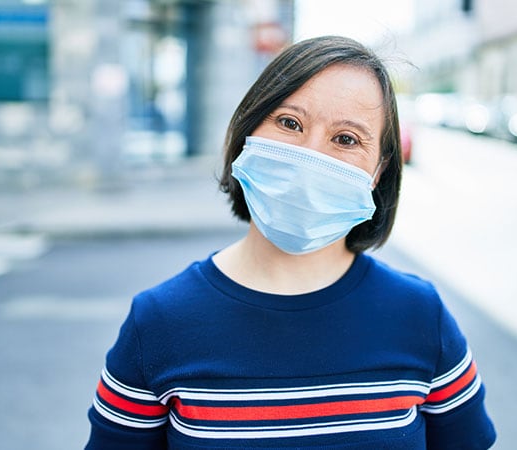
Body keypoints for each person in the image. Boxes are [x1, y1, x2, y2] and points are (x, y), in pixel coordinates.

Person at [85, 35, 496, 449]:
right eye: (289, 123)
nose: (311, 155)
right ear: (247, 131)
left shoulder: (421, 316)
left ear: (377, 173)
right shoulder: (159, 322)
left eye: (347, 139)